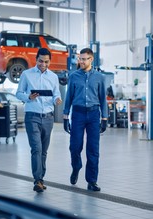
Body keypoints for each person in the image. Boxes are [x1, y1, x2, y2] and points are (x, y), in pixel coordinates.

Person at [16, 48, 62, 193]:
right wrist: (29, 97)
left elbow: (56, 94)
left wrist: (57, 99)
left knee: (44, 151)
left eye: (46, 62)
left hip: (48, 117)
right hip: (32, 116)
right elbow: (18, 93)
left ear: (50, 61)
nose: (43, 64)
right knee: (36, 148)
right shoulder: (26, 74)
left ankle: (41, 178)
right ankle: (37, 180)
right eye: (40, 61)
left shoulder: (53, 77)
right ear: (36, 60)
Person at [63, 48, 108, 192]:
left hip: (94, 114)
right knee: (75, 146)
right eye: (79, 59)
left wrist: (104, 118)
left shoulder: (100, 77)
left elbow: (102, 99)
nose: (81, 61)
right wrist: (65, 117)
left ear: (91, 59)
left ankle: (92, 181)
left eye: (84, 59)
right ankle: (76, 167)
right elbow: (68, 96)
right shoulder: (74, 76)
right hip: (78, 114)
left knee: (93, 149)